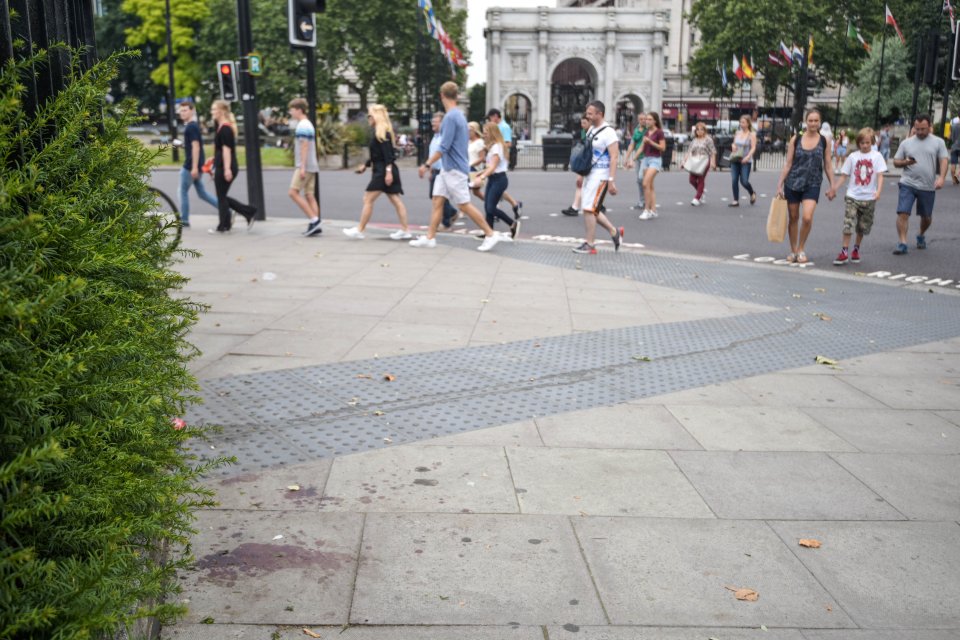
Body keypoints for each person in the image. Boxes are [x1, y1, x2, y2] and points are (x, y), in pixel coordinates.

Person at [412, 82, 511, 252]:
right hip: (447, 169)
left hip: (454, 169)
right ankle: (430, 238)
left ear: (442, 96)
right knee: (437, 201)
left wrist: (427, 164)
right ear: (456, 96)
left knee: (464, 204)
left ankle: (490, 233)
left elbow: (444, 147)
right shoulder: (459, 115)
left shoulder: (451, 117)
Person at [342, 104, 412, 241]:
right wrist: (366, 165)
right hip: (382, 170)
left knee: (368, 199)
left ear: (376, 116)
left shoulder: (383, 133)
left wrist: (388, 172)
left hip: (383, 172)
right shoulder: (380, 132)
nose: (368, 118)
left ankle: (360, 230)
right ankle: (405, 230)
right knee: (396, 200)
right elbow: (377, 155)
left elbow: (389, 156)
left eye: (370, 115)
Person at [776, 108, 835, 263]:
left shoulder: (824, 141)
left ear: (820, 122)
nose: (813, 123)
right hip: (793, 183)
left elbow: (828, 165)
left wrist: (832, 185)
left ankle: (801, 248)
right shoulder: (795, 139)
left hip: (813, 183)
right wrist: (780, 184)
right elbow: (788, 164)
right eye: (810, 120)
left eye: (816, 120)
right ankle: (793, 250)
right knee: (793, 217)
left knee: (807, 217)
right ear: (805, 122)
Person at [826, 127, 887, 266]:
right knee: (848, 224)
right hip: (852, 196)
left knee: (862, 227)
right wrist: (833, 189)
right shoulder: (853, 157)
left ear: (872, 142)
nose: (865, 145)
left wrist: (878, 192)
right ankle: (844, 251)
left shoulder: (877, 157)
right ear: (858, 143)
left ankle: (856, 249)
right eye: (862, 143)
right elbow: (844, 176)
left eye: (867, 143)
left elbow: (880, 176)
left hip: (869, 198)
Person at [891, 114, 949, 255]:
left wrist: (941, 177)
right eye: (917, 129)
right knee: (903, 212)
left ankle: (921, 234)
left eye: (923, 129)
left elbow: (943, 160)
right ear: (914, 127)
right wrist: (905, 162)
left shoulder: (938, 142)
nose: (920, 132)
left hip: (927, 185)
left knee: (926, 217)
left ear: (930, 127)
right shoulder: (906, 143)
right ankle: (902, 242)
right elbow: (896, 161)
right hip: (907, 183)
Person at [572, 100, 624, 255]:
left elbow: (614, 157)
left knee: (588, 208)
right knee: (591, 208)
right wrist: (580, 175)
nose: (587, 116)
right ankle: (614, 232)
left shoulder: (609, 132)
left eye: (590, 113)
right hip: (589, 174)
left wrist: (611, 180)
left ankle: (590, 244)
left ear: (599, 114)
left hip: (601, 176)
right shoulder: (591, 130)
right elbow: (587, 154)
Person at [208, 99, 257, 234]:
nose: (212, 112)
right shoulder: (222, 127)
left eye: (214, 109)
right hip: (222, 164)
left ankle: (224, 225)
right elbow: (220, 150)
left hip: (225, 166)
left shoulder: (225, 129)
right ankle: (246, 213)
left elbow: (227, 150)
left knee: (221, 197)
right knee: (222, 197)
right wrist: (213, 160)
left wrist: (227, 169)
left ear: (222, 111)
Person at [471, 122, 519, 239]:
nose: (484, 135)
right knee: (488, 207)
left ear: (492, 133)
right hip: (493, 179)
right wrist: (480, 173)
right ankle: (489, 232)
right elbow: (490, 166)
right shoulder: (493, 146)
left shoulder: (497, 147)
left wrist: (481, 177)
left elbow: (493, 167)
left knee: (491, 208)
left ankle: (513, 224)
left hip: (499, 180)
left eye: (486, 132)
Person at [176, 101, 218, 228]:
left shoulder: (191, 127)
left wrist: (194, 167)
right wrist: (183, 145)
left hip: (190, 166)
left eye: (185, 110)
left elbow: (196, 147)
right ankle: (226, 210)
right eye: (181, 110)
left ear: (192, 111)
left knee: (182, 192)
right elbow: (193, 146)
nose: (182, 113)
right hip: (196, 165)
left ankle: (184, 220)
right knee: (202, 193)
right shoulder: (192, 126)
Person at [286, 98, 322, 237]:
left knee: (293, 192)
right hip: (312, 165)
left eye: (292, 109)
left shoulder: (302, 125)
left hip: (305, 166)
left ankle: (314, 220)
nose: (290, 112)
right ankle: (315, 224)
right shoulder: (309, 124)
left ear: (299, 110)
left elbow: (304, 146)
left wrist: (302, 167)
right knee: (309, 195)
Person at [425, 112, 459, 231]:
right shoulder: (435, 136)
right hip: (435, 170)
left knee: (439, 197)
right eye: (432, 121)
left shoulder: (445, 137)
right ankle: (452, 213)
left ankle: (446, 222)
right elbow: (432, 153)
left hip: (443, 171)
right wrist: (430, 170)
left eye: (436, 121)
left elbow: (442, 153)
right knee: (434, 196)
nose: (432, 123)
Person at [485, 109, 522, 217]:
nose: (489, 120)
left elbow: (508, 143)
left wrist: (496, 148)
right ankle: (514, 204)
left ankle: (496, 208)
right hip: (496, 156)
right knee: (497, 189)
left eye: (490, 117)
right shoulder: (498, 126)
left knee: (497, 186)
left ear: (496, 116)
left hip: (500, 159)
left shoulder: (504, 127)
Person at [636, 111, 665, 220]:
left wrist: (651, 142)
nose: (647, 121)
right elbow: (642, 147)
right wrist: (632, 159)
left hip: (655, 160)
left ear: (655, 121)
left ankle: (646, 210)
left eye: (649, 119)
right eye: (646, 119)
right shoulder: (647, 132)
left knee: (645, 183)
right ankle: (653, 210)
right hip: (646, 159)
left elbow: (663, 148)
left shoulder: (659, 132)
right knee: (650, 186)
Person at [562, 116, 592, 216]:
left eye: (584, 123)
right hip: (585, 162)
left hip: (589, 163)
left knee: (582, 184)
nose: (582, 125)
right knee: (581, 184)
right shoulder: (584, 132)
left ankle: (576, 207)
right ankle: (576, 206)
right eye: (581, 123)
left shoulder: (592, 133)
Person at [682, 122, 717, 206]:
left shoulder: (708, 139)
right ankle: (701, 191)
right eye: (697, 129)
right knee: (692, 180)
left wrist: (713, 162)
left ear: (705, 131)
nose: (699, 131)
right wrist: (684, 161)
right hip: (694, 161)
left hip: (704, 160)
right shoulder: (694, 140)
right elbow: (689, 151)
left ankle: (697, 198)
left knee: (701, 179)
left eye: (701, 129)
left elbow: (713, 152)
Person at [728, 115, 757, 207]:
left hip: (745, 161)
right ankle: (735, 200)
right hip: (735, 159)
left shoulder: (752, 134)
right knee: (734, 180)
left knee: (744, 181)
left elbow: (753, 148)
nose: (741, 124)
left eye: (743, 122)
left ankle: (752, 192)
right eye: (740, 122)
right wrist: (733, 146)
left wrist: (748, 157)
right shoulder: (737, 133)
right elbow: (734, 143)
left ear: (748, 123)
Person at [624, 113, 649, 211]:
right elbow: (632, 144)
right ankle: (642, 201)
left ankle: (647, 201)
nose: (643, 120)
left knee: (642, 179)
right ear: (638, 120)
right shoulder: (636, 130)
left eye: (645, 119)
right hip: (638, 158)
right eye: (641, 119)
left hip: (647, 157)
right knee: (639, 181)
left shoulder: (649, 130)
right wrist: (626, 158)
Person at [467, 121, 486, 201]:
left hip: (474, 169)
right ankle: (491, 203)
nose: (467, 132)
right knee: (476, 192)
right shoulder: (468, 142)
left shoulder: (479, 142)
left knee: (465, 190)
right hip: (468, 168)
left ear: (475, 131)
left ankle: (462, 210)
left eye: (469, 130)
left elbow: (482, 158)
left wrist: (471, 164)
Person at [949, 116, 960, 185]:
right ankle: (957, 174)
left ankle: (953, 180)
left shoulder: (953, 126)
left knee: (953, 163)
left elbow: (950, 137)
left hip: (954, 146)